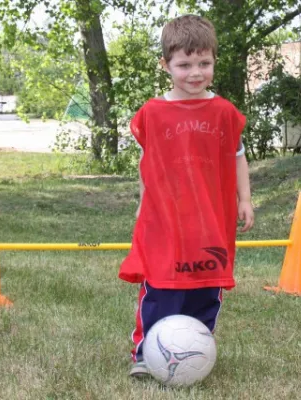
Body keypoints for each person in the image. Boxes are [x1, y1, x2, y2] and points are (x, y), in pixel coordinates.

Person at [118, 14, 255, 378]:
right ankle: (145, 354)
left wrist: (245, 199)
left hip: (211, 222)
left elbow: (238, 156)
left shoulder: (225, 112)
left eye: (204, 63)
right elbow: (148, 162)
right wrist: (142, 203)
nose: (195, 72)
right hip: (165, 220)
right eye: (184, 64)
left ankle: (195, 352)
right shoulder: (152, 113)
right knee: (162, 288)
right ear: (165, 65)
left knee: (205, 291)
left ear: (214, 62)